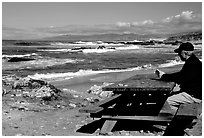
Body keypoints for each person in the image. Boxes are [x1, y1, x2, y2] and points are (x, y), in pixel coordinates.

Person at [155, 42, 202, 111]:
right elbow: (182, 76)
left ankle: (178, 118)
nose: (179, 54)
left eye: (180, 52)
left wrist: (163, 76)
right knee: (170, 96)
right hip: (195, 93)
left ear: (184, 52)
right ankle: (180, 115)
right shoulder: (194, 61)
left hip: (194, 96)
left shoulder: (192, 64)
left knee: (166, 102)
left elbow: (180, 77)